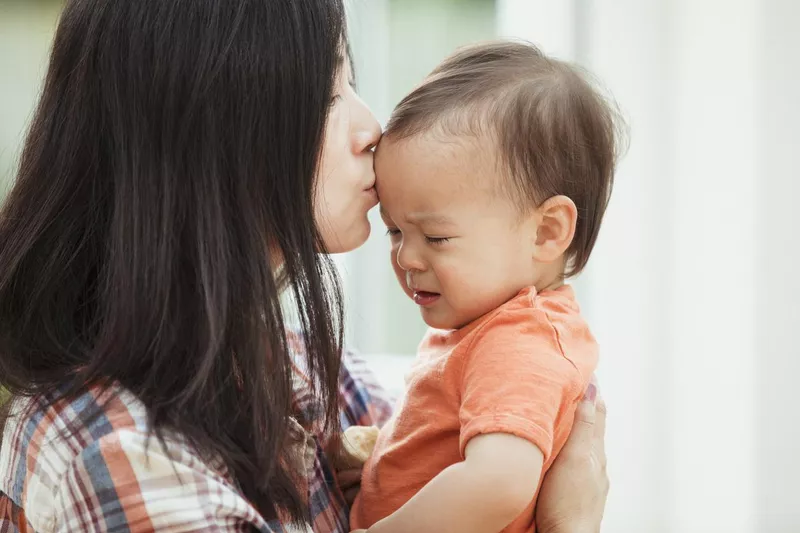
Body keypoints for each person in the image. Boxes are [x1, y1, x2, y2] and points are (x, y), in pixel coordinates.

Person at [0, 1, 608, 531]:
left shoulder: (291, 362)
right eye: (330, 93)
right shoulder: (129, 457)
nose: (372, 128)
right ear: (220, 136)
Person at [350, 41, 620, 533]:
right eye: (395, 231)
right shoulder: (490, 325)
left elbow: (499, 483)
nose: (406, 257)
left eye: (436, 237)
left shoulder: (519, 342)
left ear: (546, 231)